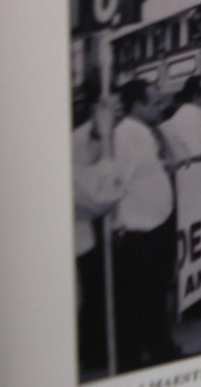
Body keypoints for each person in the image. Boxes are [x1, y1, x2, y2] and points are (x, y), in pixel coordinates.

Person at [108, 79, 180, 370]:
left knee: (157, 293)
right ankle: (136, 362)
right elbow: (115, 182)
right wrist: (119, 225)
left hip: (156, 225)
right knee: (139, 300)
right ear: (136, 104)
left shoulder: (143, 133)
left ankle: (162, 349)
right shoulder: (125, 135)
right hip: (138, 231)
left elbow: (142, 171)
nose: (160, 107)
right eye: (154, 102)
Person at [72, 93, 123, 375]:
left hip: (86, 234)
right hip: (78, 233)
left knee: (93, 296)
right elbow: (101, 192)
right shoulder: (77, 141)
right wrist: (105, 139)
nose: (116, 111)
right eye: (109, 107)